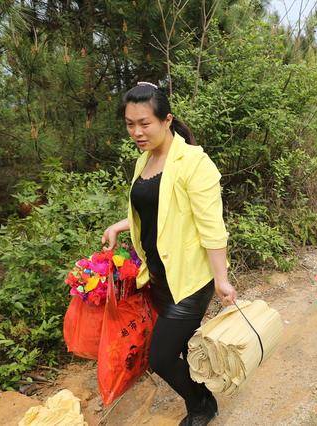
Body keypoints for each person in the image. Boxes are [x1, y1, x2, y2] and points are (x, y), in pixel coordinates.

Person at [101, 81, 236, 426]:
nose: (137, 132)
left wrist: (221, 280)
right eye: (130, 124)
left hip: (190, 279)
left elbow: (212, 227)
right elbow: (156, 210)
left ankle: (202, 405)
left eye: (144, 123)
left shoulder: (194, 162)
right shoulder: (144, 160)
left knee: (160, 357)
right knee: (183, 346)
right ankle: (203, 394)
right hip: (159, 275)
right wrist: (119, 226)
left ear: (167, 120)